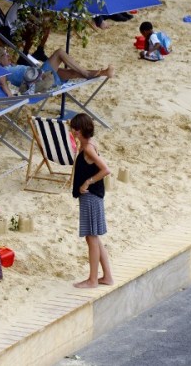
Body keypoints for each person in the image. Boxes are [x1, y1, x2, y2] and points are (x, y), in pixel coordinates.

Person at [70, 113, 114, 289]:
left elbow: (105, 169)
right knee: (94, 237)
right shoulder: (88, 144)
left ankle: (93, 280)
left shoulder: (88, 147)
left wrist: (88, 181)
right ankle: (107, 277)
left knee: (91, 237)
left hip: (91, 195)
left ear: (78, 130)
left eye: (72, 128)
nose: (71, 131)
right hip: (92, 196)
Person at [0, 47, 115, 97]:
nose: (8, 56)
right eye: (5, 55)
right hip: (40, 79)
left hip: (40, 76)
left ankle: (104, 72)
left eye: (7, 54)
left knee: (69, 72)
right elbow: (2, 82)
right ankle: (87, 74)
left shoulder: (10, 66)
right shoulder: (1, 70)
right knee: (60, 52)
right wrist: (11, 97)